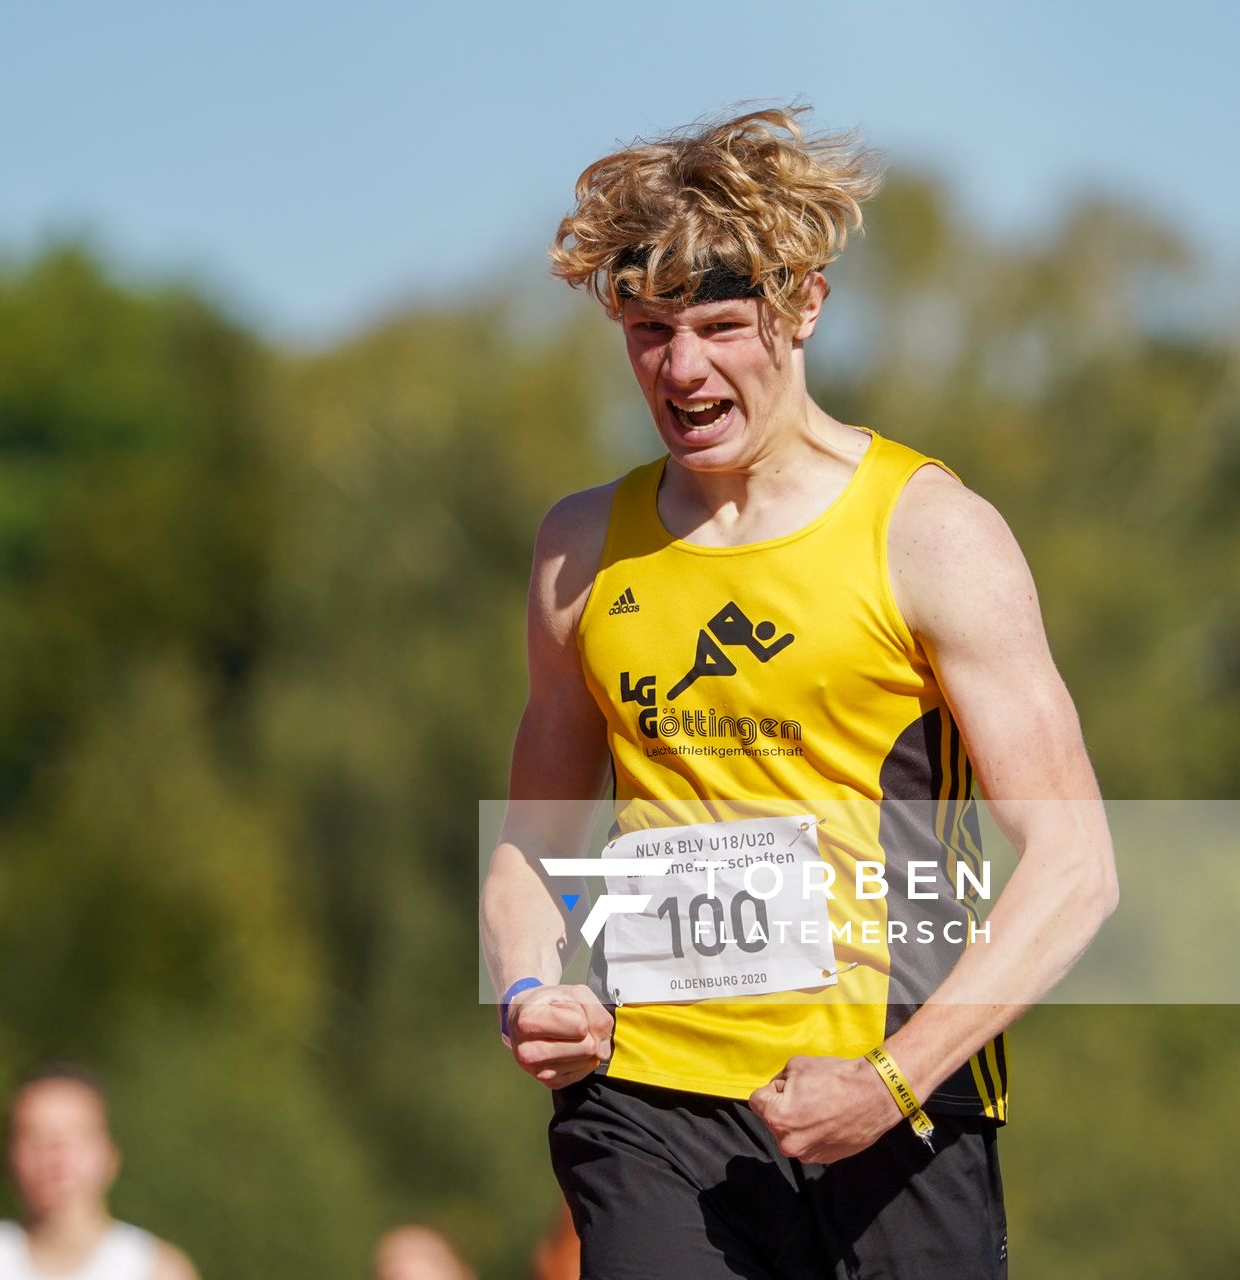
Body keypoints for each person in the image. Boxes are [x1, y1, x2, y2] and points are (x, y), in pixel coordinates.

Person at [480, 104, 1119, 1278]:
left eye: (722, 324)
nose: (682, 368)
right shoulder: (580, 548)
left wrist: (892, 1080)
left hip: (891, 1098)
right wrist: (530, 983)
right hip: (650, 1095)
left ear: (805, 304)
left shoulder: (931, 535)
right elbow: (531, 842)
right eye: (649, 329)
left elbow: (1078, 866)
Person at [0, 1063, 198, 1280]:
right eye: (35, 1139)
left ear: (110, 1154)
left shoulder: (160, 1271)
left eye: (73, 1136)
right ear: (9, 1156)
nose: (55, 1158)